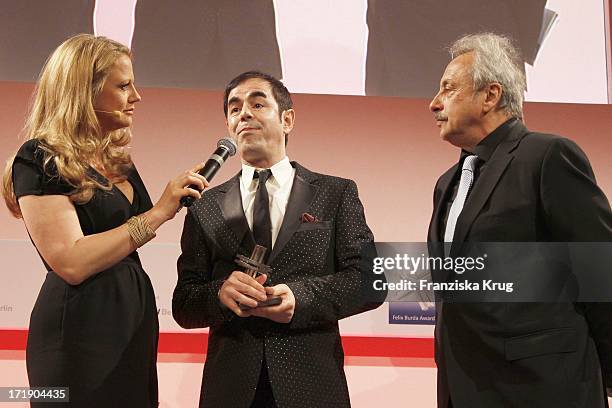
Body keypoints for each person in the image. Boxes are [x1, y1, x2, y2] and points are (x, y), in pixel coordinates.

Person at [1, 34, 208, 407]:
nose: (137, 96)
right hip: (78, 331)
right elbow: (71, 262)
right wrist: (160, 211)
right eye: (124, 85)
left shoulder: (118, 161)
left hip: (131, 324)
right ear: (85, 91)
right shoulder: (38, 158)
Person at [172, 71, 379, 407]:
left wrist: (301, 297)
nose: (244, 114)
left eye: (257, 103)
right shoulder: (204, 205)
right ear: (228, 126)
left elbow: (369, 280)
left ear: (287, 119)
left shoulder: (335, 193)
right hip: (231, 389)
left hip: (312, 387)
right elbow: (183, 303)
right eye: (234, 108)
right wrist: (220, 294)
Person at [427, 32, 612, 407]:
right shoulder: (447, 183)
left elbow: (601, 270)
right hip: (463, 388)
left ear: (490, 96)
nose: (434, 104)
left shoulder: (548, 157)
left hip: (543, 388)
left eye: (448, 89)